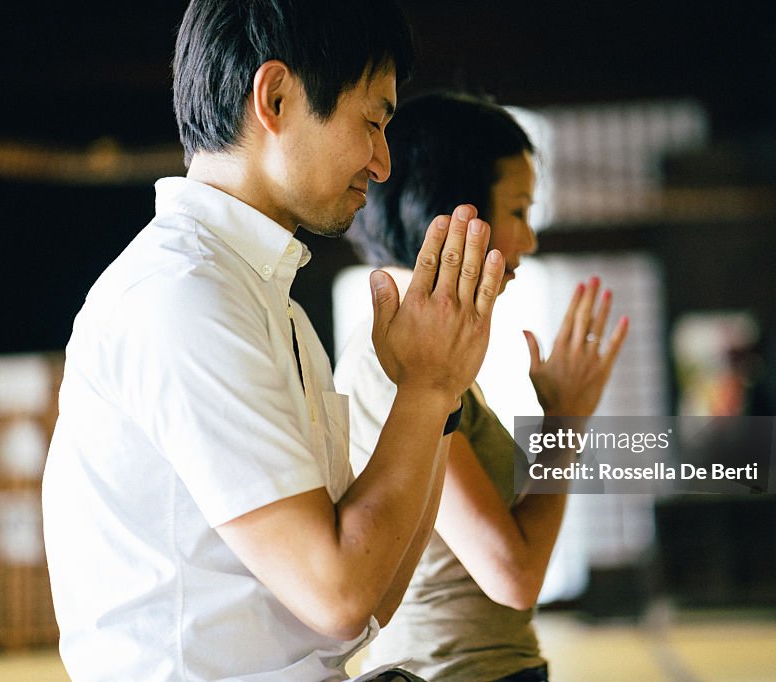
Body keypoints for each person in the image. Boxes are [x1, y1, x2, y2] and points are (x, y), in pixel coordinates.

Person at [41, 4, 508, 680]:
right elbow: (339, 593)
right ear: (277, 97)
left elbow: (371, 594)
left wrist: (433, 404)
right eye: (373, 122)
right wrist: (426, 388)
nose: (381, 163)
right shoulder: (182, 297)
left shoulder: (267, 306)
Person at [335, 93, 629, 682]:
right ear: (454, 213)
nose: (530, 238)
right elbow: (513, 575)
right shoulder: (394, 362)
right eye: (519, 210)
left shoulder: (422, 357)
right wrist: (564, 425)